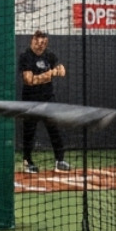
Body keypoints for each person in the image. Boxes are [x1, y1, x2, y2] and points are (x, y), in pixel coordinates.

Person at [19, 30, 70, 173]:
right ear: (33, 40)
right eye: (38, 42)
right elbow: (29, 80)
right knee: (29, 131)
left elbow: (62, 70)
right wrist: (49, 74)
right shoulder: (26, 57)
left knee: (54, 130)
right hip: (31, 100)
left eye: (44, 43)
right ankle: (27, 162)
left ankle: (60, 160)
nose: (41, 45)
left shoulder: (50, 56)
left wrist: (57, 70)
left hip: (48, 98)